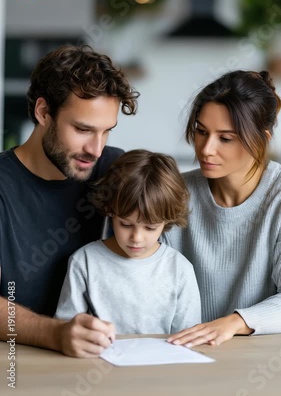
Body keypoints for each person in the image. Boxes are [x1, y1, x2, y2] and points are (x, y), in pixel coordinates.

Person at [0, 44, 139, 357]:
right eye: (83, 129)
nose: (96, 149)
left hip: (108, 360)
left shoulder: (114, 169)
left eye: (107, 132)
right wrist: (54, 333)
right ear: (43, 112)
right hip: (17, 366)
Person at [163, 69, 281, 349]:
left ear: (261, 140)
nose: (206, 149)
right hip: (180, 354)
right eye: (201, 132)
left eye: (225, 138)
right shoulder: (173, 193)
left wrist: (234, 323)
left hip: (261, 362)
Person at [55, 149, 201, 334]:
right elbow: (66, 330)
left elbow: (189, 339)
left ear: (167, 220)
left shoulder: (180, 270)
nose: (136, 238)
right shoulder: (84, 262)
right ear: (110, 211)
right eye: (125, 224)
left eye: (150, 228)